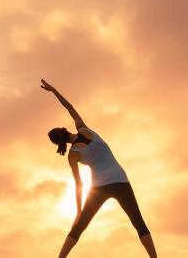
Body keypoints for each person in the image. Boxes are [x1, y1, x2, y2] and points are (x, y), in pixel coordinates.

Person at [40, 79, 158, 258]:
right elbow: (70, 107)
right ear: (64, 130)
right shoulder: (84, 129)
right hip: (120, 180)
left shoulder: (73, 155)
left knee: (79, 227)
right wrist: (54, 90)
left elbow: (78, 185)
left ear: (59, 143)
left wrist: (78, 212)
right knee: (138, 222)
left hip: (99, 187)